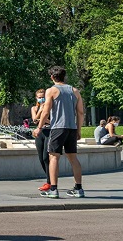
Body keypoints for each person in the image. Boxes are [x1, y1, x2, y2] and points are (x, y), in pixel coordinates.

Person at [33, 66, 84, 198]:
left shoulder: (51, 90)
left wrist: (39, 127)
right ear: (64, 76)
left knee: (54, 157)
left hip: (57, 128)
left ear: (52, 77)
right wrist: (78, 129)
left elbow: (45, 111)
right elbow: (80, 112)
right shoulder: (75, 91)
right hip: (71, 128)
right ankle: (78, 189)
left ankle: (53, 189)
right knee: (73, 158)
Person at [31, 88, 51, 191]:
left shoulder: (50, 107)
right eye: (39, 97)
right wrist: (41, 111)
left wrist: (43, 119)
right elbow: (35, 120)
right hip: (40, 133)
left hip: (49, 132)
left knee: (46, 157)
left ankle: (49, 181)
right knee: (41, 158)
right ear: (36, 98)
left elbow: (51, 122)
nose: (41, 99)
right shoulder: (34, 108)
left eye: (43, 97)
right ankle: (49, 178)